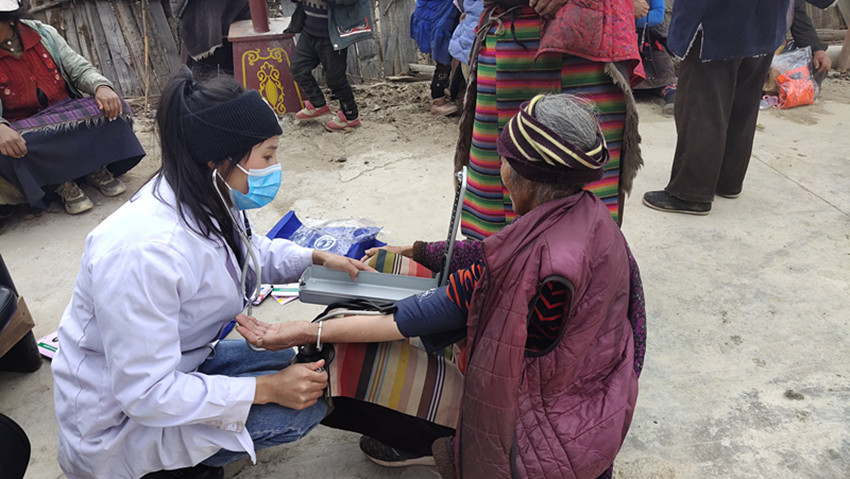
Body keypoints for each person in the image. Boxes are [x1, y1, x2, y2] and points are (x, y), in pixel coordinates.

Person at [238, 94, 645, 479]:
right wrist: (414, 250)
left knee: (336, 361)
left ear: (527, 179)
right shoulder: (591, 220)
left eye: (505, 161)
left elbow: (408, 318)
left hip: (535, 437)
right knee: (393, 265)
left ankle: (436, 443)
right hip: (587, 400)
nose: (500, 170)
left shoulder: (523, 268)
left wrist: (308, 332)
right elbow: (485, 253)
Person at [51, 70, 373, 479]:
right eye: (267, 156)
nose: (274, 167)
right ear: (217, 160)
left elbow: (244, 251)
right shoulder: (143, 252)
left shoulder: (206, 192)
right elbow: (146, 394)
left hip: (180, 362)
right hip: (120, 420)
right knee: (298, 407)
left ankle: (203, 443)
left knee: (295, 361)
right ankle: (169, 470)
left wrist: (315, 257)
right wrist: (266, 390)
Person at [455, 0, 644, 240]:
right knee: (501, 192)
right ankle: (498, 258)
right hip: (516, 37)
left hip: (591, 43)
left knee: (588, 197)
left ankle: (585, 259)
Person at [642, 0, 834, 215]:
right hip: (764, 24)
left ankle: (691, 193)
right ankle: (727, 181)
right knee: (743, 105)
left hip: (717, 22)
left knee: (703, 107)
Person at [0, 0, 144, 215]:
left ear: (10, 20)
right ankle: (59, 183)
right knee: (8, 146)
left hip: (64, 110)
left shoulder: (44, 34)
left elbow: (78, 68)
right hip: (24, 126)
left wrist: (101, 86)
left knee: (115, 108)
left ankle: (94, 169)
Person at [289, 0, 373, 131]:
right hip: (309, 30)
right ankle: (318, 104)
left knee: (335, 79)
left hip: (333, 35)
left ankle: (350, 116)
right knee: (298, 68)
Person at [410, 0, 461, 115]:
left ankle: (448, 88)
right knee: (443, 61)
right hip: (440, 16)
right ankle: (437, 101)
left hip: (441, 14)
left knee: (450, 56)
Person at [632, 0, 677, 115]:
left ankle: (671, 96)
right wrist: (630, 12)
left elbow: (657, 16)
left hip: (649, 43)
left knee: (663, 66)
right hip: (622, 44)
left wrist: (628, 17)